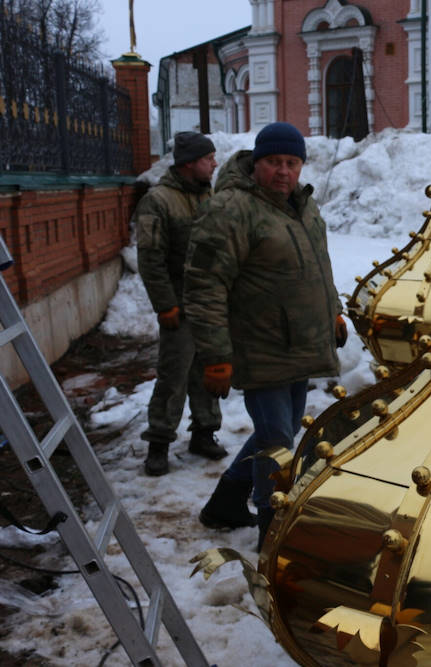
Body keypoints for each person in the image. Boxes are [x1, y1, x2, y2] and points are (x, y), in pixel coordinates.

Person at [184, 122, 349, 546]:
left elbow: (320, 267)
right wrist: (216, 357)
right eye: (274, 162)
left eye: (291, 163)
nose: (283, 171)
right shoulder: (231, 210)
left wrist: (333, 312)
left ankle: (225, 502)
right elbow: (205, 287)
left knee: (280, 431)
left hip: (299, 344)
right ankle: (271, 531)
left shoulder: (303, 206)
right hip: (260, 348)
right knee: (277, 442)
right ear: (256, 163)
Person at [136, 131, 226, 476]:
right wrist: (164, 305)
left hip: (209, 306)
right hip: (179, 305)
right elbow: (150, 259)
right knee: (173, 375)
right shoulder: (158, 200)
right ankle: (159, 443)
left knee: (209, 370)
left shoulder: (210, 195)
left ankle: (204, 432)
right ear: (190, 163)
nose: (214, 164)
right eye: (209, 158)